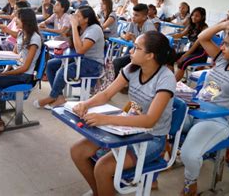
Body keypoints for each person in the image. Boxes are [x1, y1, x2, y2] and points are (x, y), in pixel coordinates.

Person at [70, 31, 176, 196]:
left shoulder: (166, 78)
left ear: (150, 55)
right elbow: (106, 94)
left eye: (136, 48)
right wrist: (85, 104)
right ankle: (101, 191)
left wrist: (105, 119)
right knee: (78, 151)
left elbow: (149, 121)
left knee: (103, 168)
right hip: (128, 128)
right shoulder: (132, 68)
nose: (130, 52)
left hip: (152, 138)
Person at [180, 20, 229, 195]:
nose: (222, 47)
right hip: (194, 108)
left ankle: (190, 183)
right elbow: (202, 37)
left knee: (189, 154)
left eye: (227, 44)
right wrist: (224, 25)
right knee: (157, 120)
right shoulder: (222, 60)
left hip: (217, 120)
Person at [0, 8, 42, 135]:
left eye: (18, 17)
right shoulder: (22, 34)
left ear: (26, 20)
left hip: (24, 75)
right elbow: (14, 56)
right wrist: (5, 69)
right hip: (17, 70)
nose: (15, 19)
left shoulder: (35, 39)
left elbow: (25, 67)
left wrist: (3, 74)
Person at [35, 6, 105, 108]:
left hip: (93, 64)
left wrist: (74, 27)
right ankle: (59, 97)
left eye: (78, 16)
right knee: (51, 64)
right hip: (81, 59)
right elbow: (72, 45)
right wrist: (74, 28)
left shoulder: (94, 29)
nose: (74, 18)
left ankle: (52, 96)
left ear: (86, 19)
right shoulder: (81, 28)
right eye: (74, 15)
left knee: (62, 71)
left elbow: (80, 50)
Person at [112, 4, 156, 78]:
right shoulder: (133, 23)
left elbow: (147, 46)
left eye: (136, 15)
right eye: (133, 14)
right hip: (138, 54)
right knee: (116, 62)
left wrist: (133, 38)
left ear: (144, 17)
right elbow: (123, 33)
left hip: (148, 57)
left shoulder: (149, 25)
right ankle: (117, 86)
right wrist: (125, 36)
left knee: (128, 66)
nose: (133, 17)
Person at [172, 7, 208, 82]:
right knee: (171, 57)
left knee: (183, 62)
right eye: (192, 15)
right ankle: (170, 79)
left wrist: (184, 56)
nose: (193, 17)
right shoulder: (191, 25)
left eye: (197, 16)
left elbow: (195, 45)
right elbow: (181, 34)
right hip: (192, 52)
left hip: (201, 54)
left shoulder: (205, 28)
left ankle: (172, 84)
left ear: (202, 17)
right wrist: (167, 36)